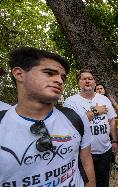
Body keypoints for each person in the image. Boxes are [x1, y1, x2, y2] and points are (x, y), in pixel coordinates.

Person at [0, 47, 95, 187]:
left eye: (63, 77)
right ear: (19, 74)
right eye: (49, 73)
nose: (59, 81)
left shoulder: (76, 118)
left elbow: (86, 162)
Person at [64, 69, 118, 187]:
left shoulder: (104, 99)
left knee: (103, 183)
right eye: (84, 79)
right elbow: (71, 125)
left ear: (94, 82)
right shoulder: (70, 102)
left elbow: (112, 120)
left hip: (105, 151)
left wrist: (114, 140)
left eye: (90, 78)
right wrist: (94, 112)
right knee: (86, 183)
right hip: (83, 153)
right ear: (78, 82)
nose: (87, 81)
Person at [95, 83, 118, 170]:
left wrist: (113, 101)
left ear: (104, 90)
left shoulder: (108, 100)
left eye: (101, 88)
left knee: (111, 147)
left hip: (110, 128)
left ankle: (113, 163)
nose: (99, 90)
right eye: (97, 88)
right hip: (97, 130)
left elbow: (117, 110)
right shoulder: (93, 100)